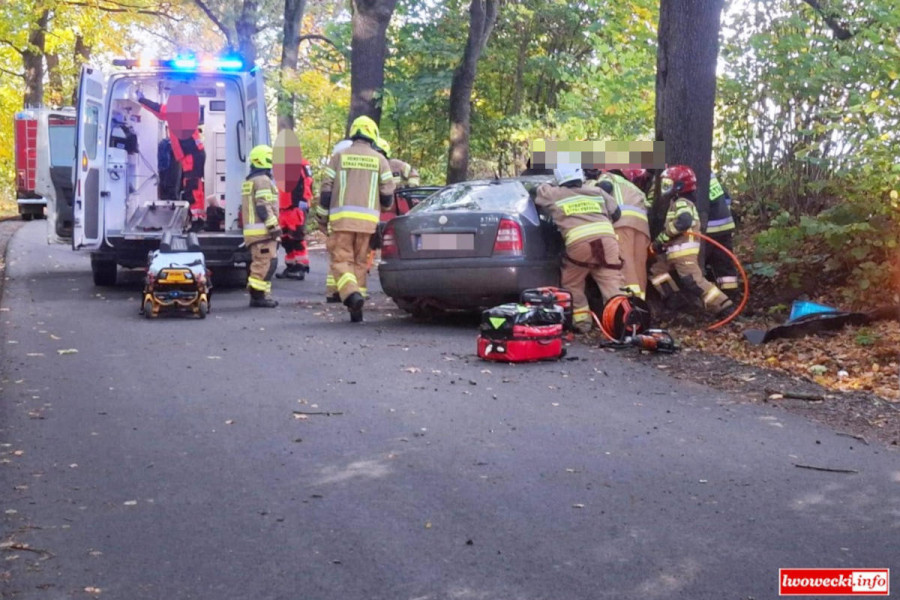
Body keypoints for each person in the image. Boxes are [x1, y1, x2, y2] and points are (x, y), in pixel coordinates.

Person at [317, 117, 395, 322]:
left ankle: (351, 295)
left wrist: (322, 219)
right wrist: (383, 207)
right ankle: (356, 310)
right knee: (360, 263)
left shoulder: (339, 157)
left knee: (342, 261)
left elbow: (325, 191)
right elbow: (387, 196)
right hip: (368, 224)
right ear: (373, 135)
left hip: (341, 221)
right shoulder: (380, 160)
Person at [534, 163, 626, 333]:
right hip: (607, 242)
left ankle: (582, 323)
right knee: (611, 282)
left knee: (573, 283)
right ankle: (620, 323)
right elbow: (617, 214)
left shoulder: (554, 194)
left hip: (579, 245)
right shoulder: (597, 192)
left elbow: (539, 192)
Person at [648, 165, 733, 317]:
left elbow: (684, 221)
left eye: (668, 184)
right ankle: (675, 299)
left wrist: (662, 238)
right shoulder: (676, 202)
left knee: (693, 281)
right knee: (656, 270)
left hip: (683, 253)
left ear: (679, 186)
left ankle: (723, 306)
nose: (665, 188)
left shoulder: (682, 202)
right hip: (673, 252)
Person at [137, 86, 207, 231]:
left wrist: (141, 99)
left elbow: (158, 109)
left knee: (192, 187)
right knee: (193, 186)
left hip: (192, 155)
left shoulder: (177, 111)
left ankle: (197, 220)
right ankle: (196, 218)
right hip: (193, 154)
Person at [594, 169, 652, 299]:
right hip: (642, 227)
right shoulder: (634, 188)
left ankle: (629, 303)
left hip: (621, 223)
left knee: (625, 263)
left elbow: (605, 187)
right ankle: (640, 301)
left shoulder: (607, 176)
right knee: (639, 266)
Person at [241, 145, 281, 307]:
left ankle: (261, 295)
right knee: (265, 263)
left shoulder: (251, 181)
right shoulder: (262, 181)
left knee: (264, 262)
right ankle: (257, 296)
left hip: (255, 232)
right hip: (262, 232)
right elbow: (263, 206)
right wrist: (274, 227)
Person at [323, 139, 353, 303]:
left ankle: (334, 291)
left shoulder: (336, 167)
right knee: (346, 258)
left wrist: (322, 218)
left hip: (336, 219)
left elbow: (326, 193)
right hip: (348, 221)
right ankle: (347, 292)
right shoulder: (353, 172)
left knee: (338, 257)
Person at [276, 157, 313, 280]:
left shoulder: (301, 164)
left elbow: (307, 183)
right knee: (285, 239)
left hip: (295, 207)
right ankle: (291, 265)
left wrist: (302, 204)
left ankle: (301, 266)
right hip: (283, 207)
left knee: (297, 237)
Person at [705, 173, 738, 294]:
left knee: (700, 264)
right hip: (725, 226)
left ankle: (712, 297)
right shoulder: (710, 175)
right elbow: (727, 198)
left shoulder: (689, 176)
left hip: (707, 230)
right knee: (725, 265)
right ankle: (731, 296)